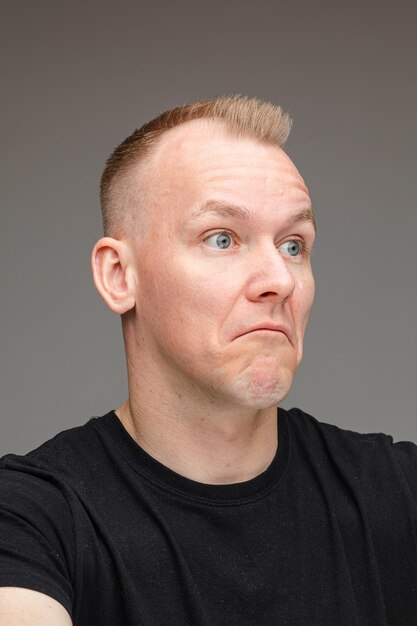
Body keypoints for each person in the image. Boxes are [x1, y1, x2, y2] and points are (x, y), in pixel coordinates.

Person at [0, 96, 416, 626]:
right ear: (118, 276)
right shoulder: (31, 520)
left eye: (294, 245)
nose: (279, 280)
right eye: (222, 239)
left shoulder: (398, 492)